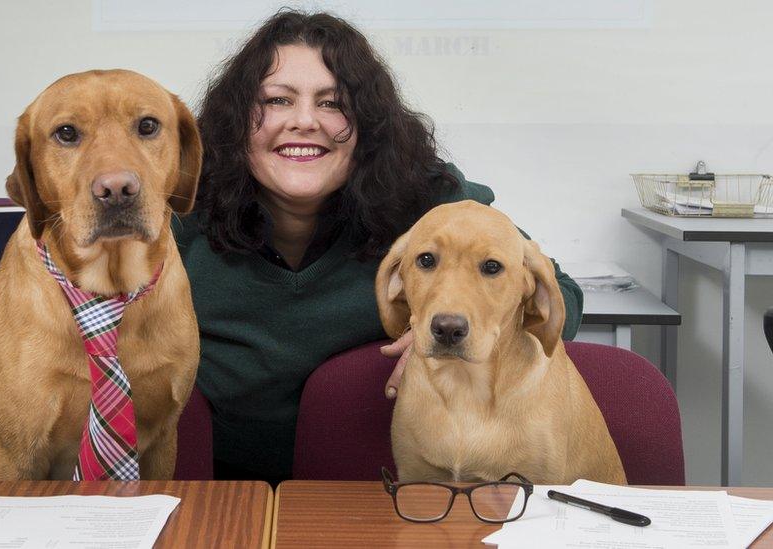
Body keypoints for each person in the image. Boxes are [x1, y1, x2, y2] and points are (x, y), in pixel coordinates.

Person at [172, 10, 583, 484]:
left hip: (392, 486)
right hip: (217, 487)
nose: (305, 121)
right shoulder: (180, 212)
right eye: (277, 100)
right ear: (238, 120)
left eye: (332, 104)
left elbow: (561, 294)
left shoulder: (429, 202)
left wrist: (447, 329)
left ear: (367, 123)